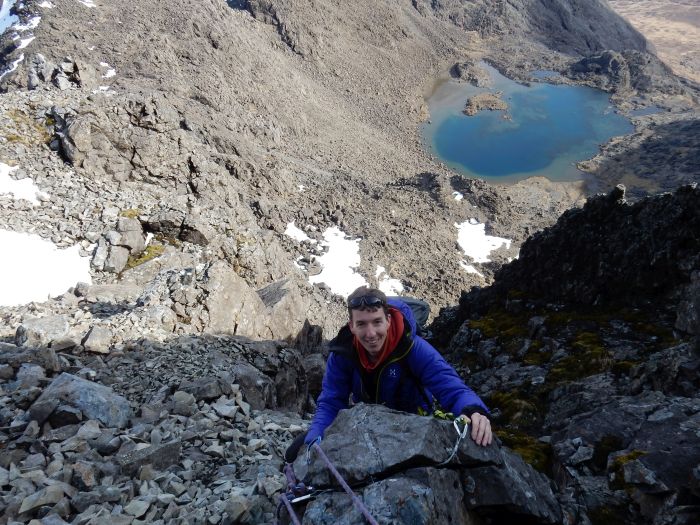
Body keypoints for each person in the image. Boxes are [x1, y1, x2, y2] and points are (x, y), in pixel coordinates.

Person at [285, 286, 492, 462]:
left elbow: (451, 388)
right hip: (368, 427)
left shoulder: (413, 349)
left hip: (415, 429)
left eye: (377, 322)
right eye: (362, 324)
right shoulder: (343, 354)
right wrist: (316, 434)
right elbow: (331, 401)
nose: (370, 333)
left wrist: (474, 410)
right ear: (352, 326)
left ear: (389, 320)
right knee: (294, 453)